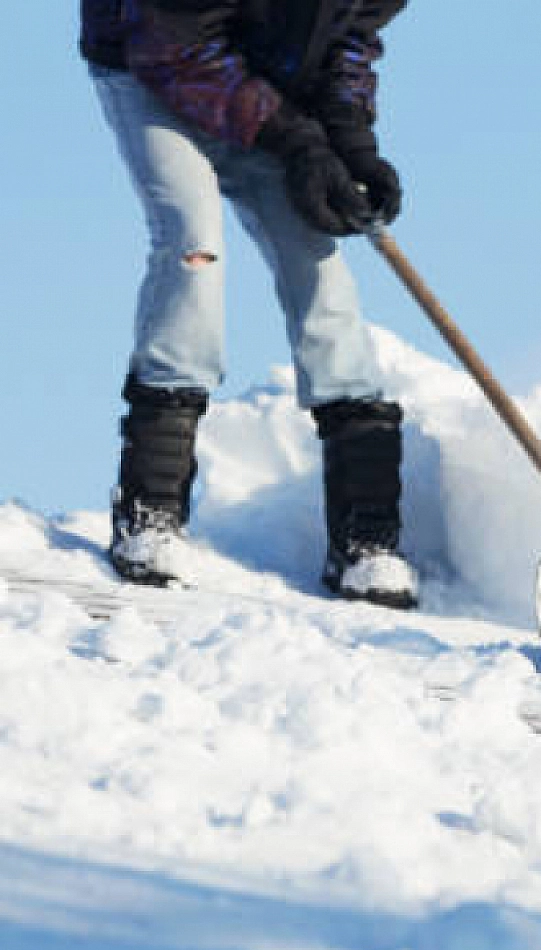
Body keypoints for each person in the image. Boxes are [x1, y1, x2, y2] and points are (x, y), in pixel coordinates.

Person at [79, 0, 417, 609]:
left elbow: (350, 36)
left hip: (258, 85)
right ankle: (150, 512)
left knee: (321, 278)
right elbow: (172, 46)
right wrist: (296, 140)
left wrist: (349, 137)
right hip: (152, 66)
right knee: (194, 247)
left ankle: (366, 539)